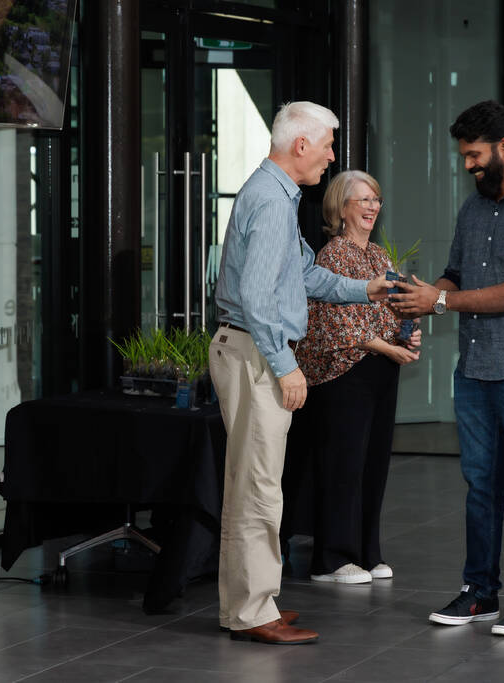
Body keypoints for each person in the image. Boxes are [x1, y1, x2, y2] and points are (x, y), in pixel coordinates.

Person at [210, 102, 392, 645]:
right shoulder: (270, 200)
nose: (332, 157)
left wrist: (368, 289)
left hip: (252, 349)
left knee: (256, 485)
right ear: (301, 146)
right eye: (329, 145)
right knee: (259, 488)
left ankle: (250, 602)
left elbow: (307, 275)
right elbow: (258, 299)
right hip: (256, 352)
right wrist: (287, 367)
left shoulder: (280, 196)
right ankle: (250, 612)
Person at [390, 100, 504, 637]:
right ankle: (480, 593)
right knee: (480, 488)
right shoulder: (473, 209)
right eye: (464, 156)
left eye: (474, 155)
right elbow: (454, 275)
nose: (468, 165)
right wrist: (422, 295)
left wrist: (442, 304)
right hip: (475, 368)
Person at [287, 170, 421, 585]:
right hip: (344, 374)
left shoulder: (380, 257)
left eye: (375, 200)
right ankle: (331, 560)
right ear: (340, 208)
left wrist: (410, 333)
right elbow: (331, 324)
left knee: (374, 464)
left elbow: (396, 310)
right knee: (343, 467)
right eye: (362, 200)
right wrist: (387, 346)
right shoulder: (331, 255)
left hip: (380, 372)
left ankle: (367, 552)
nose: (371, 207)